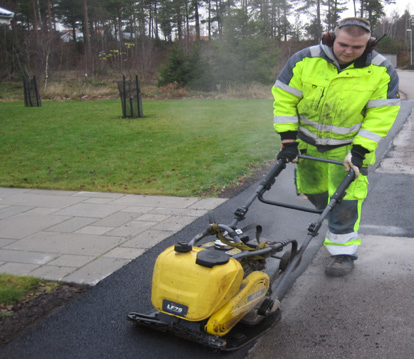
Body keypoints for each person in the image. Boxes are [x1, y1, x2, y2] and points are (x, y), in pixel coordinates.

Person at [272, 17, 401, 277]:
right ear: (331, 38)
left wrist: (360, 151)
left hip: (349, 150)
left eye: (357, 47)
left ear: (369, 44)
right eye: (344, 45)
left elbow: (380, 117)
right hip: (308, 147)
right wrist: (288, 141)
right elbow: (285, 99)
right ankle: (330, 222)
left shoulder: (381, 70)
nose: (349, 51)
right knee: (314, 192)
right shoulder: (304, 60)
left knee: (345, 201)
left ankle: (343, 253)